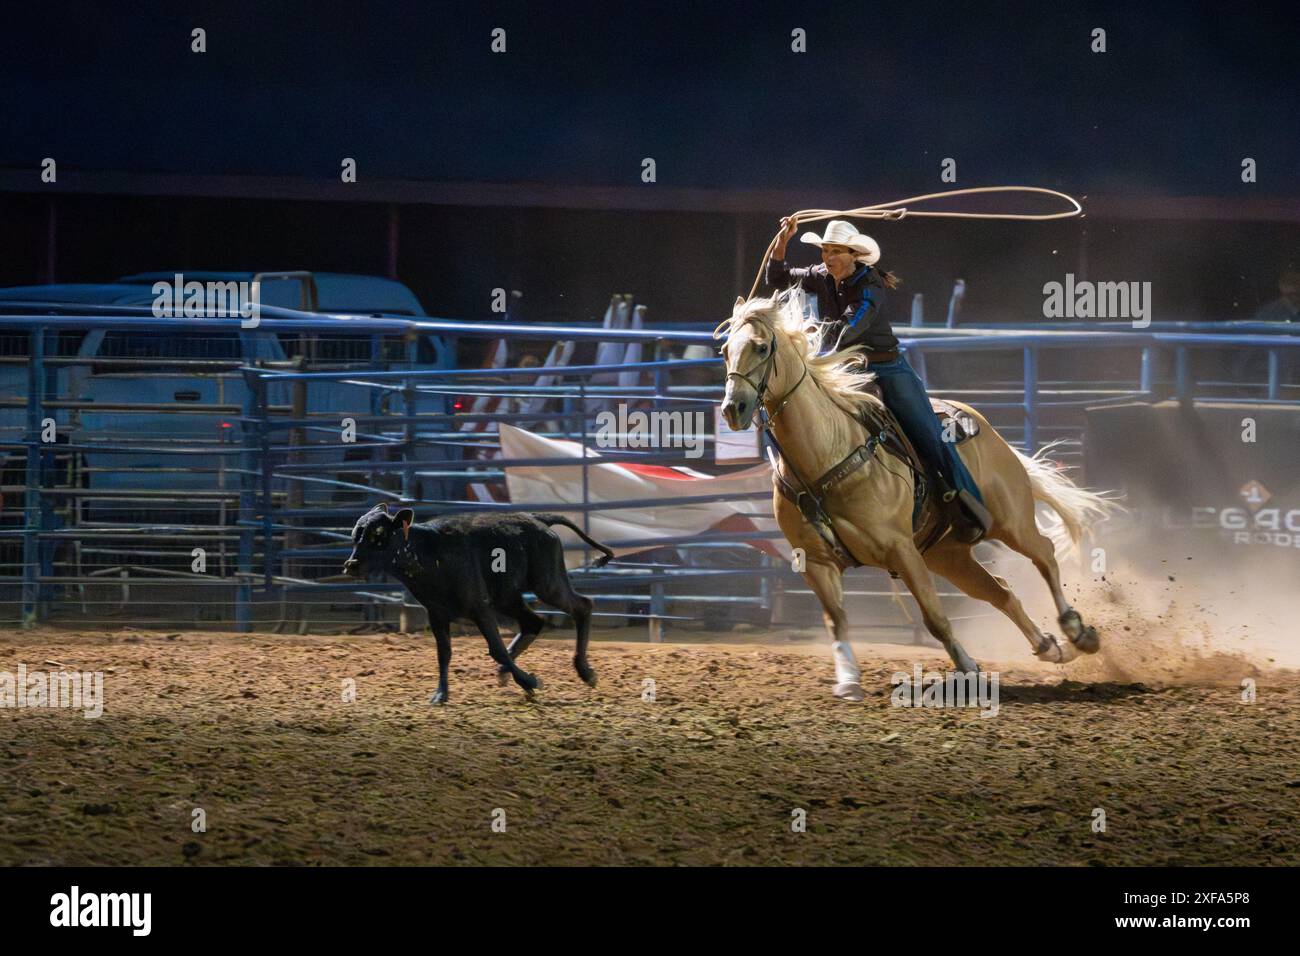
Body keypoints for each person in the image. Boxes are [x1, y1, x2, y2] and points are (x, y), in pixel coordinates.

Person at [767, 217, 992, 542]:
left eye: (836, 252)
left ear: (853, 255)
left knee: (927, 431)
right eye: (825, 251)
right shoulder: (821, 276)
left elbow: (850, 329)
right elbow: (777, 276)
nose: (828, 258)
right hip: (845, 366)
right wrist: (783, 240)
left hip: (885, 368)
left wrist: (811, 338)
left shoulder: (869, 284)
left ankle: (966, 502)